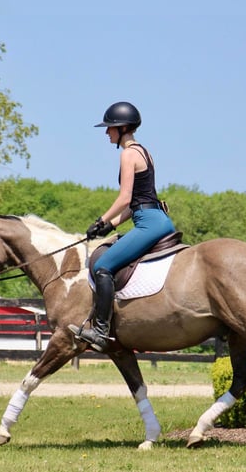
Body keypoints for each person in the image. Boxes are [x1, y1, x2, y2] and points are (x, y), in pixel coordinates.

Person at [69, 101, 176, 352]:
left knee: (104, 265)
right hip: (154, 218)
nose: (107, 132)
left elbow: (125, 198)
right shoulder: (144, 151)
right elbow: (137, 203)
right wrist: (108, 227)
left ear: (123, 127)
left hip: (149, 224)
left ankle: (100, 331)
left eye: (110, 128)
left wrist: (101, 219)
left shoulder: (127, 153)